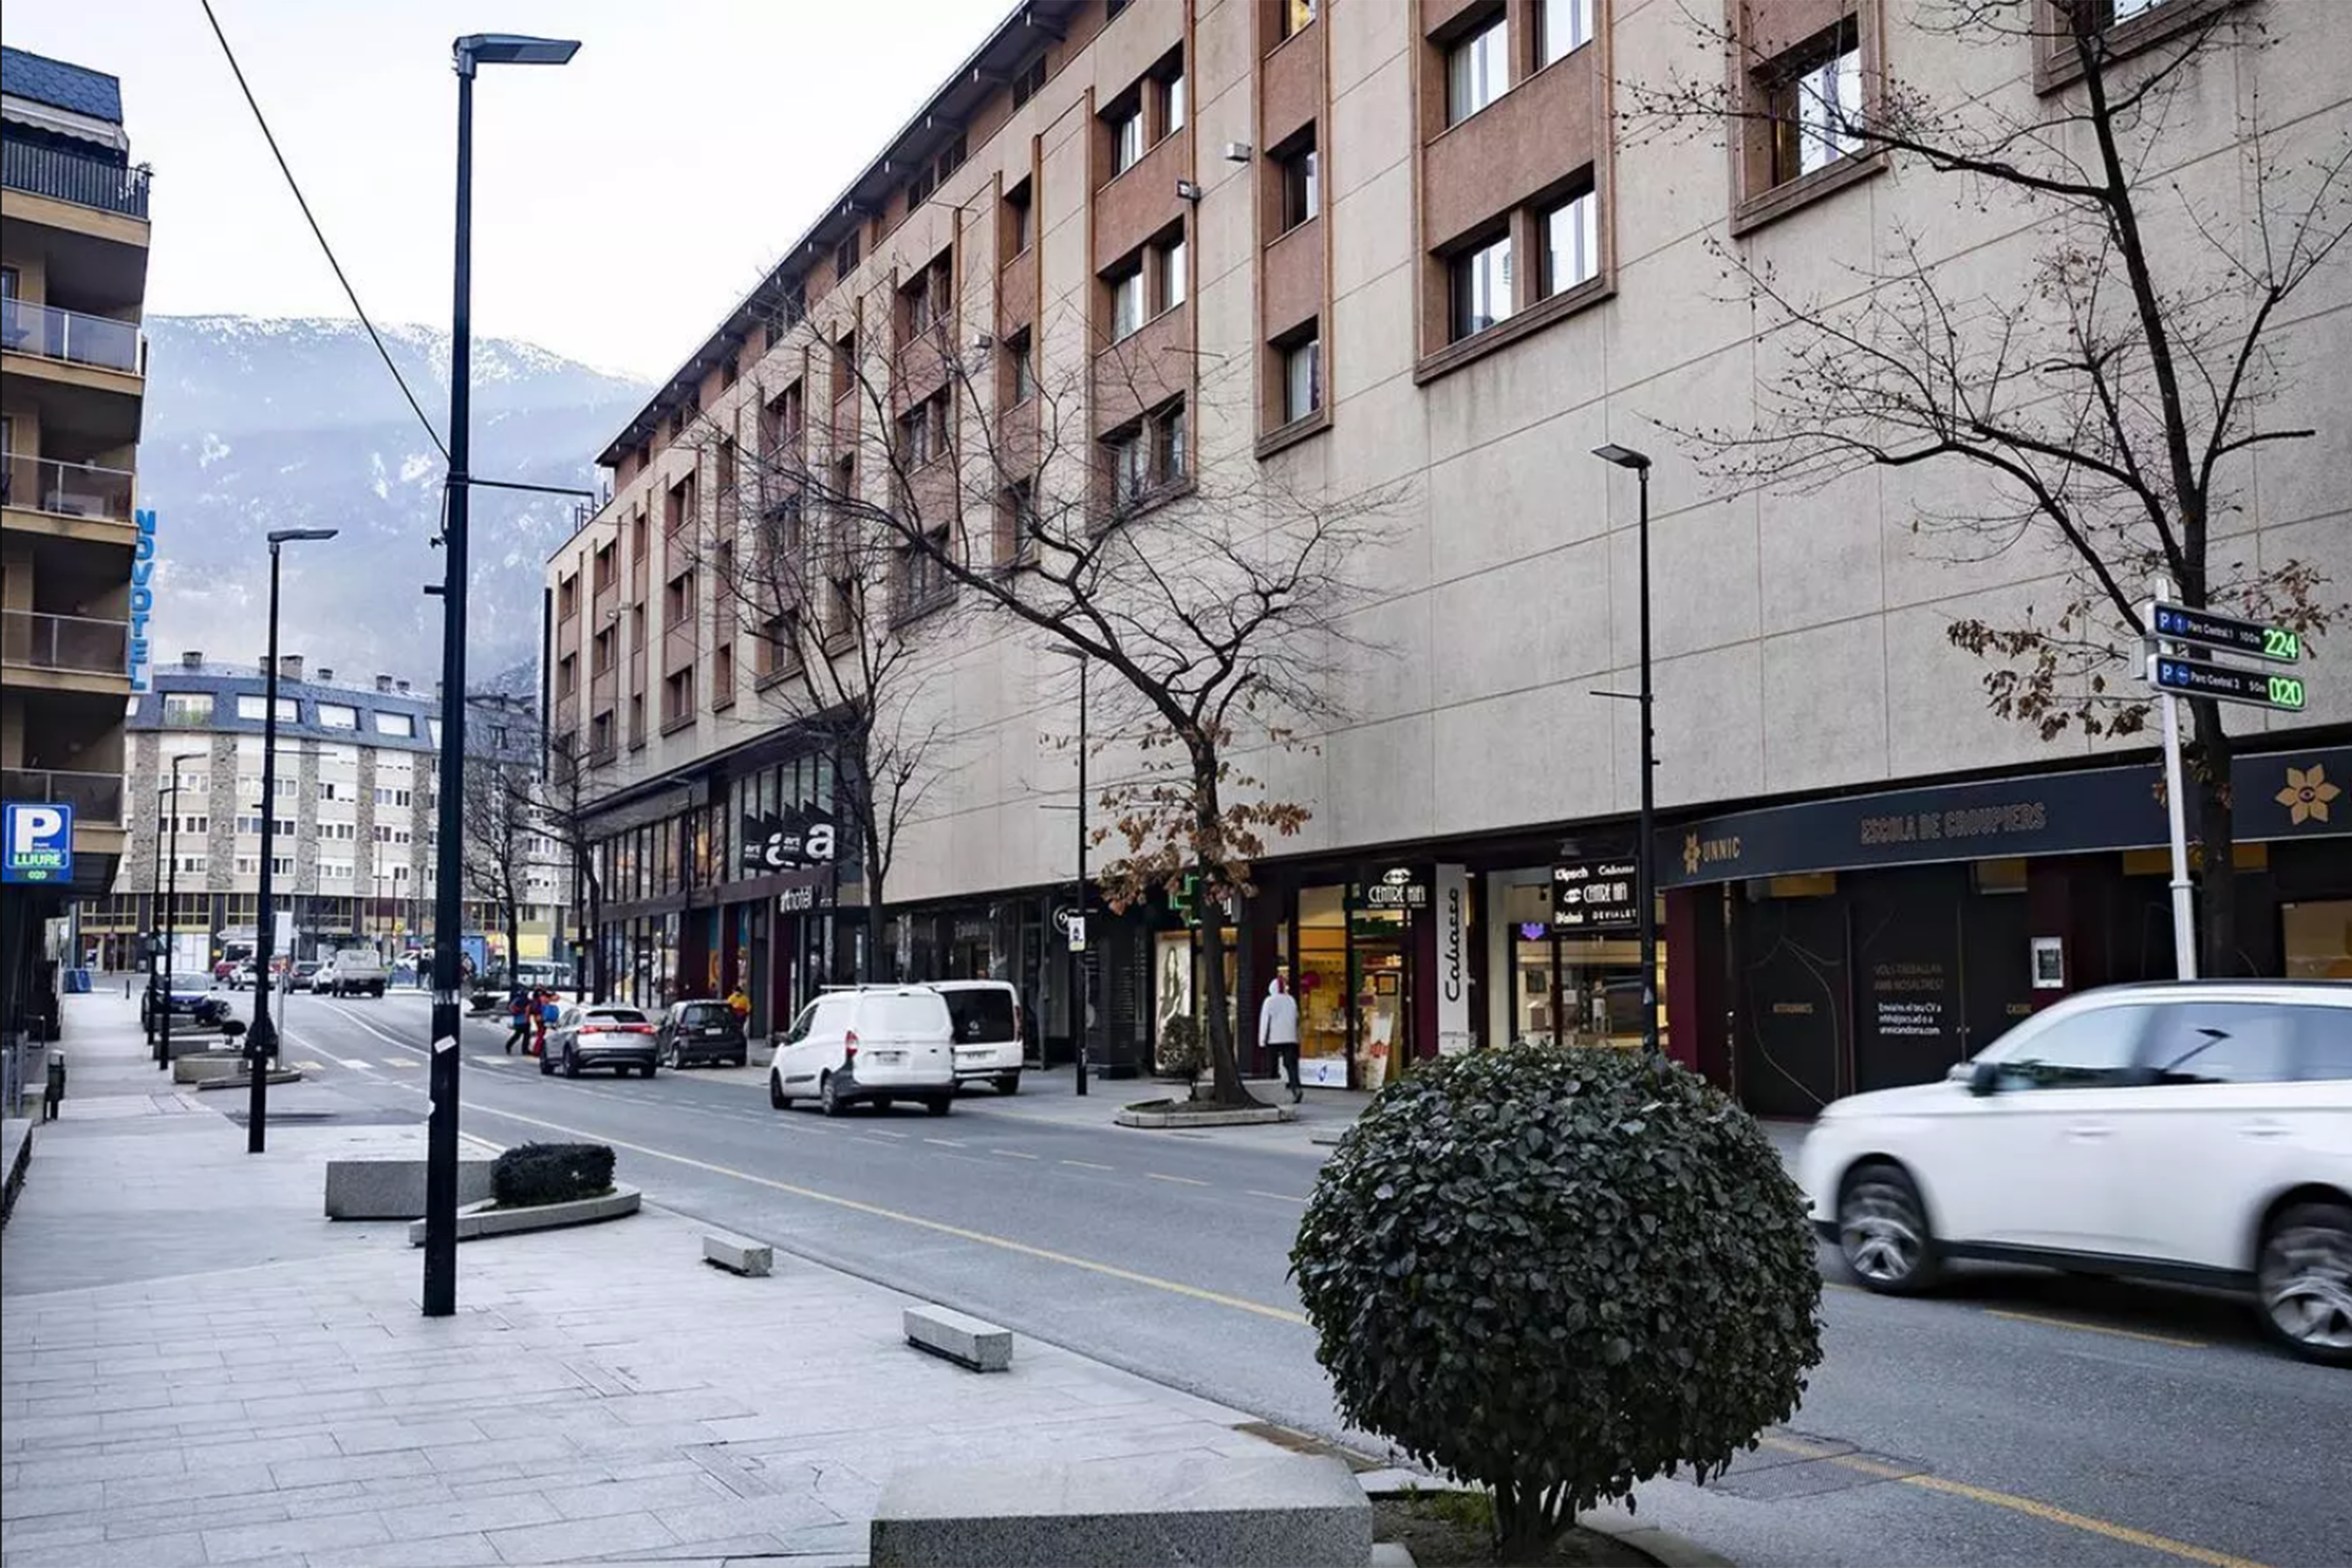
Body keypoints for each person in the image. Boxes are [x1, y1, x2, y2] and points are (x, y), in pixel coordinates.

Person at [1259, 976, 1301, 1104]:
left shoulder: (1269, 1001)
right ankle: (1296, 1088)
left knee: (1272, 1065)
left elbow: (1264, 1021)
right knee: (1291, 1065)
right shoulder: (1291, 1000)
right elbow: (1297, 1018)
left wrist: (1262, 1040)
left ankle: (1273, 1091)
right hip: (1290, 1038)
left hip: (1274, 1038)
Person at [502, 987, 530, 1055]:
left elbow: (510, 1008)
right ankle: (524, 1050)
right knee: (524, 1036)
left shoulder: (518, 1000)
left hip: (520, 1020)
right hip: (523, 1020)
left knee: (520, 1035)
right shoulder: (525, 1000)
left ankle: (509, 1046)